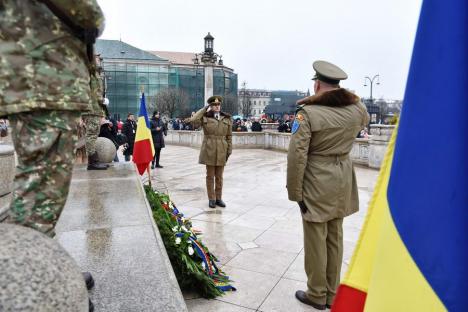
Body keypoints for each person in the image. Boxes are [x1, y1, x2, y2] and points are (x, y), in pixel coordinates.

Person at [0, 1, 105, 311]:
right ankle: (35, 288)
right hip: (44, 79)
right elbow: (87, 13)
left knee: (36, 186)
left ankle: (44, 264)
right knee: (41, 193)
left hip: (35, 79)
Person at [287, 60, 369, 310]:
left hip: (316, 179)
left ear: (317, 84)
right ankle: (333, 294)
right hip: (342, 178)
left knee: (315, 240)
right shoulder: (357, 109)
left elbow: (297, 155)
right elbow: (363, 121)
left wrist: (295, 192)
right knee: (335, 237)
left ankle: (317, 294)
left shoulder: (307, 113)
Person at [186, 96, 232, 208]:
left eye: (218, 105)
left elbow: (229, 136)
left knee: (219, 177)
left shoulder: (226, 118)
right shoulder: (205, 117)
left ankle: (218, 198)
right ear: (210, 106)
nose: (217, 106)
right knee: (210, 176)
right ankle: (211, 198)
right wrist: (204, 109)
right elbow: (193, 120)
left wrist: (229, 149)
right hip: (209, 148)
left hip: (222, 148)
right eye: (214, 105)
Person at [82, 55, 107, 170]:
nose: (99, 62)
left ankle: (94, 161)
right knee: (91, 135)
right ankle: (92, 162)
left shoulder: (95, 74)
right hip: (90, 109)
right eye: (97, 60)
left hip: (95, 109)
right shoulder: (88, 73)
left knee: (94, 134)